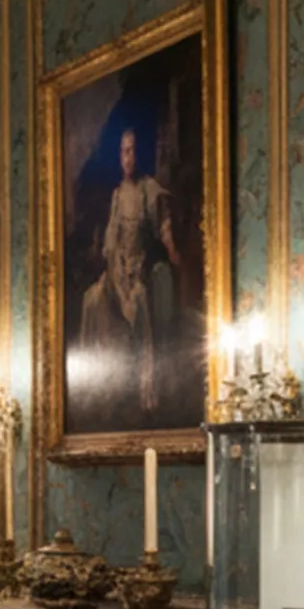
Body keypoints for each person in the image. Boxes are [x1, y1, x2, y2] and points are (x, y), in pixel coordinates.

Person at [77, 123, 186, 421]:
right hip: (117, 270)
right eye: (124, 152)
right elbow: (110, 244)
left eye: (133, 151)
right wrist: (114, 274)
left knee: (138, 301)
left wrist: (173, 251)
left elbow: (162, 228)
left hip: (142, 270)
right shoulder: (116, 195)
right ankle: (97, 384)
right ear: (119, 156)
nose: (129, 157)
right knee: (91, 300)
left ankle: (145, 387)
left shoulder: (149, 189)